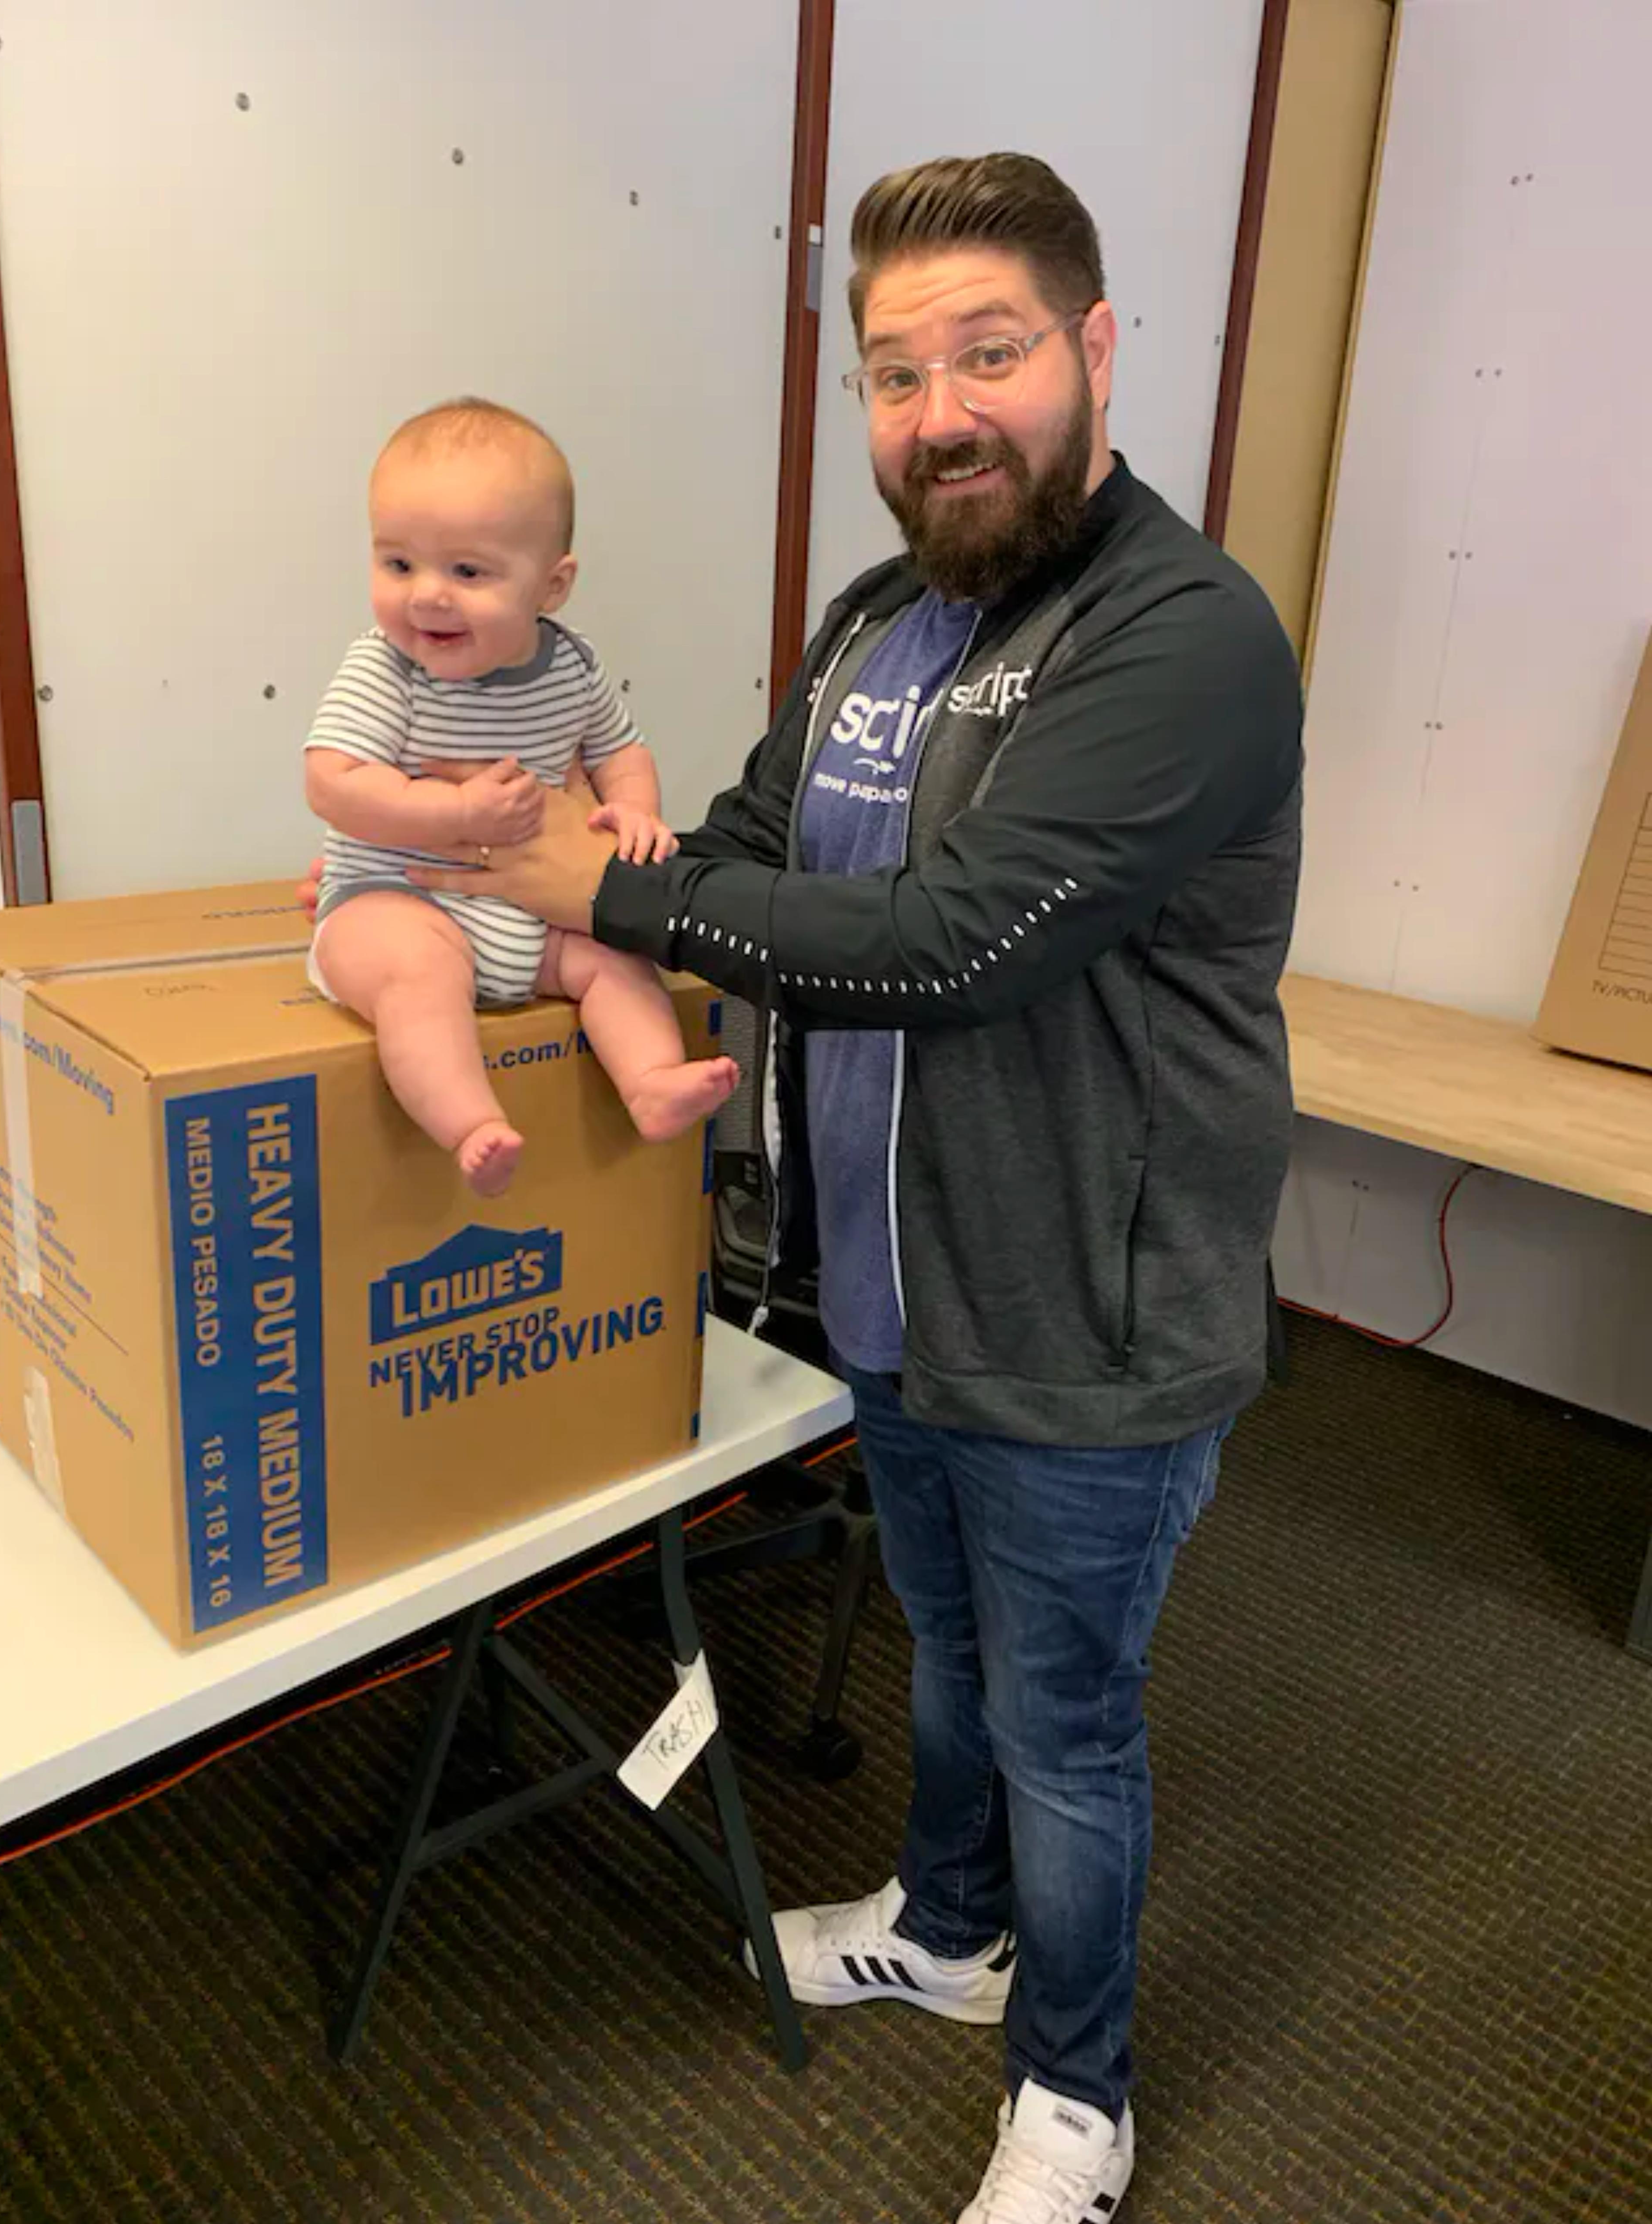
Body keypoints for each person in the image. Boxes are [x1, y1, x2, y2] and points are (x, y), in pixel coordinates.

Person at [319, 154, 1302, 2221]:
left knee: (1062, 1715)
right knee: (943, 1650)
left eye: (990, 351)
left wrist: (599, 880)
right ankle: (949, 1934)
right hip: (895, 1286)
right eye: (892, 371)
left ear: (1097, 347)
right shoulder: (879, 620)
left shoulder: (1182, 637)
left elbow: (957, 942)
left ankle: (1078, 2093)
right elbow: (755, 839)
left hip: (1087, 1323)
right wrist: (486, 884)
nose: (938, 410)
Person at [304, 398, 737, 1197]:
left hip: (524, 916)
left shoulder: (571, 666)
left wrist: (634, 809)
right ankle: (472, 1123)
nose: (427, 595)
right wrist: (453, 816)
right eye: (398, 564)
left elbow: (619, 749)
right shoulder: (384, 670)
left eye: (467, 572)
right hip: (394, 901)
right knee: (418, 974)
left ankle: (649, 1082)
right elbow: (332, 782)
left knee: (616, 955)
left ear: (553, 585)